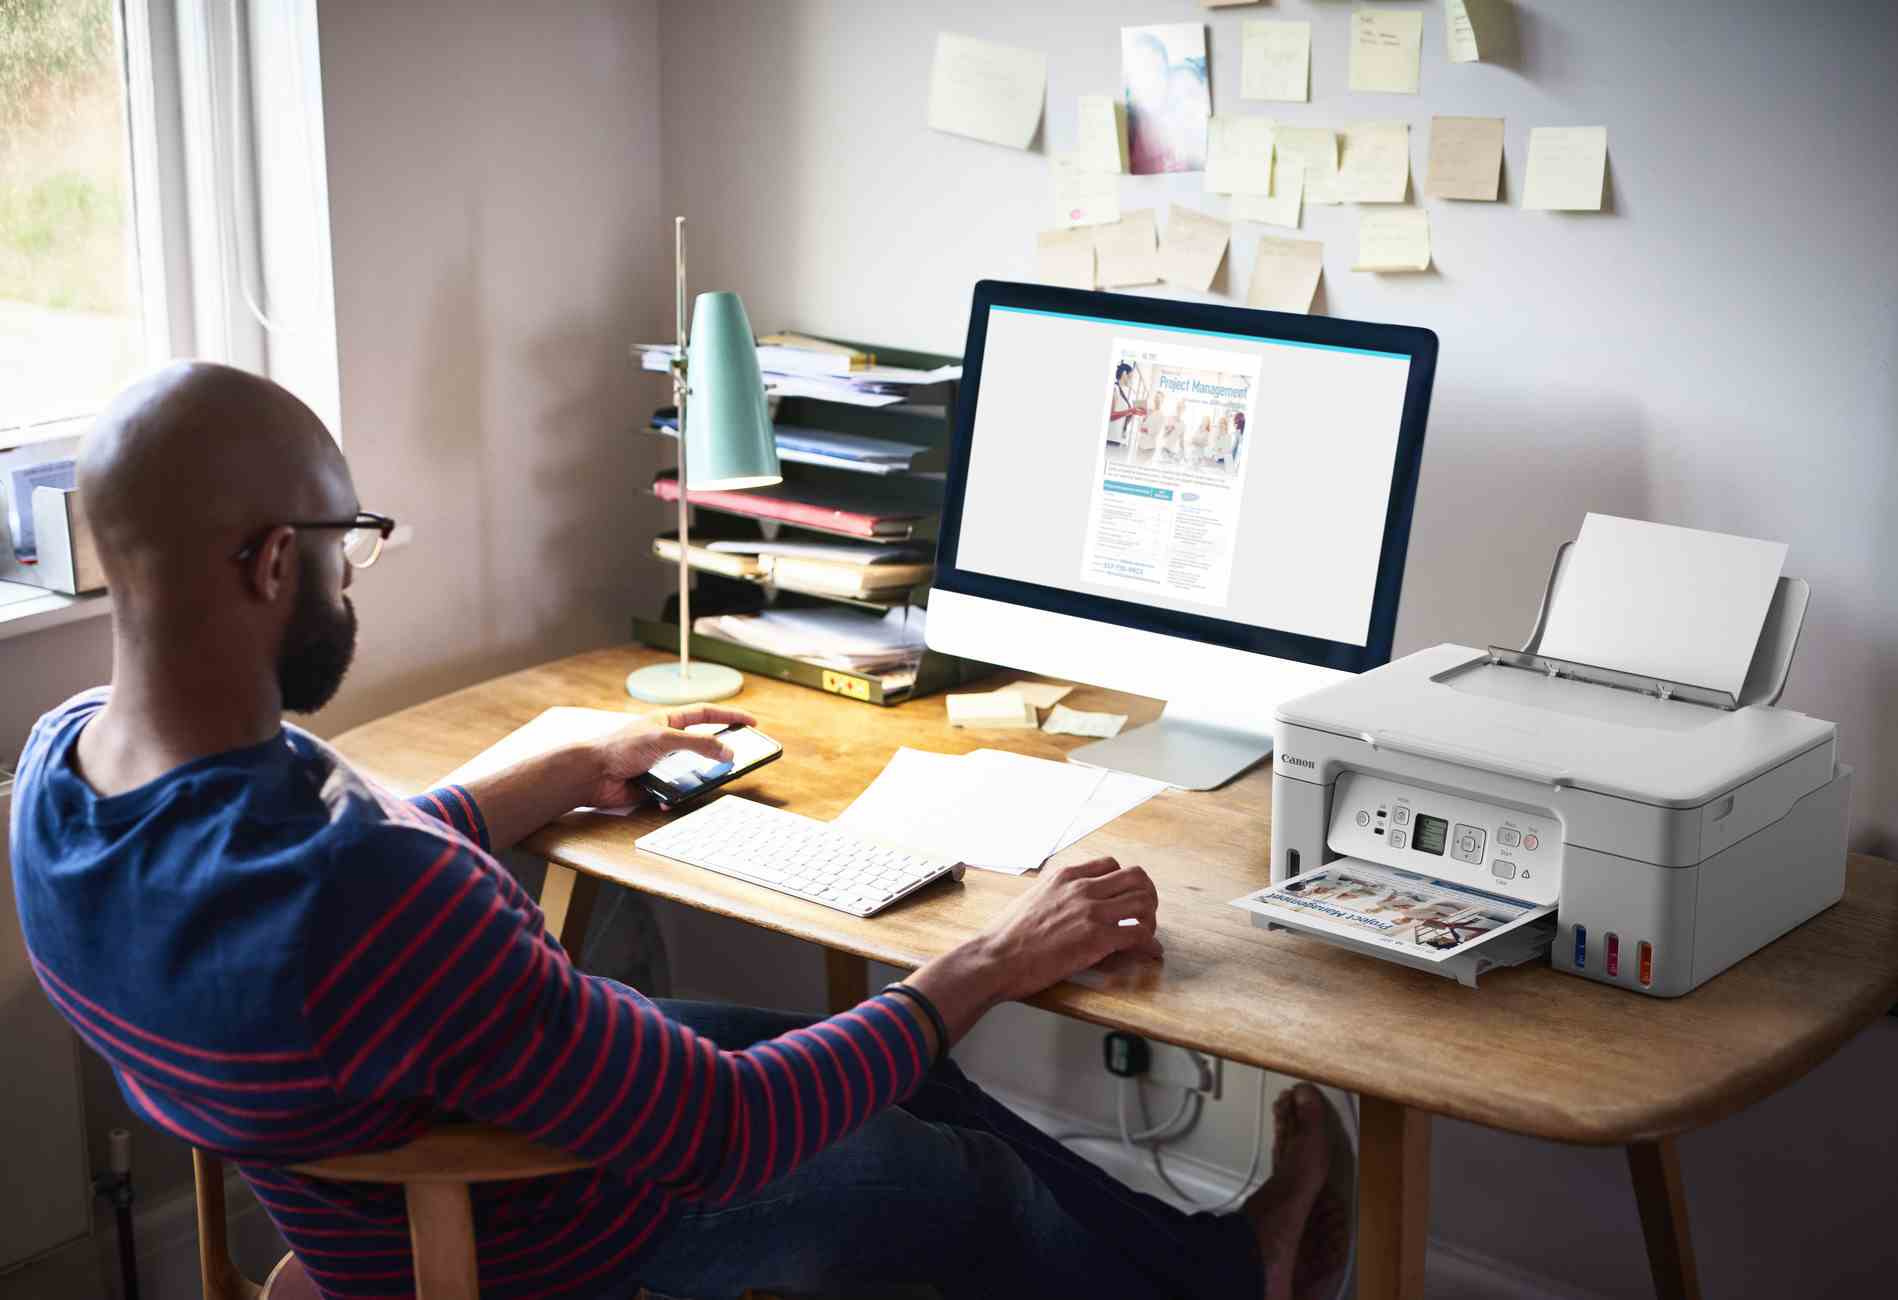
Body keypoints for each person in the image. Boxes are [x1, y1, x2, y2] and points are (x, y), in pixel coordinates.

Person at [9, 362, 1346, 1300]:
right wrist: (992, 959)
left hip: (381, 1160)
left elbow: (349, 881)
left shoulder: (61, 778)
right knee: (964, 1175)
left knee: (909, 1073)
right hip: (540, 1228)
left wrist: (551, 774)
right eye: (344, 540)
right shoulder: (373, 898)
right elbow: (727, 1132)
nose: (351, 572)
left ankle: (1225, 1271)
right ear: (268, 563)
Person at [1108, 360, 1146, 445]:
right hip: (1110, 438)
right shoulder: (1115, 389)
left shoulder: (1126, 393)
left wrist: (1134, 413)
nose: (1132, 379)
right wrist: (1130, 411)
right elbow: (1110, 416)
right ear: (1124, 374)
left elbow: (1124, 414)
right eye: (1131, 376)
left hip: (1118, 438)